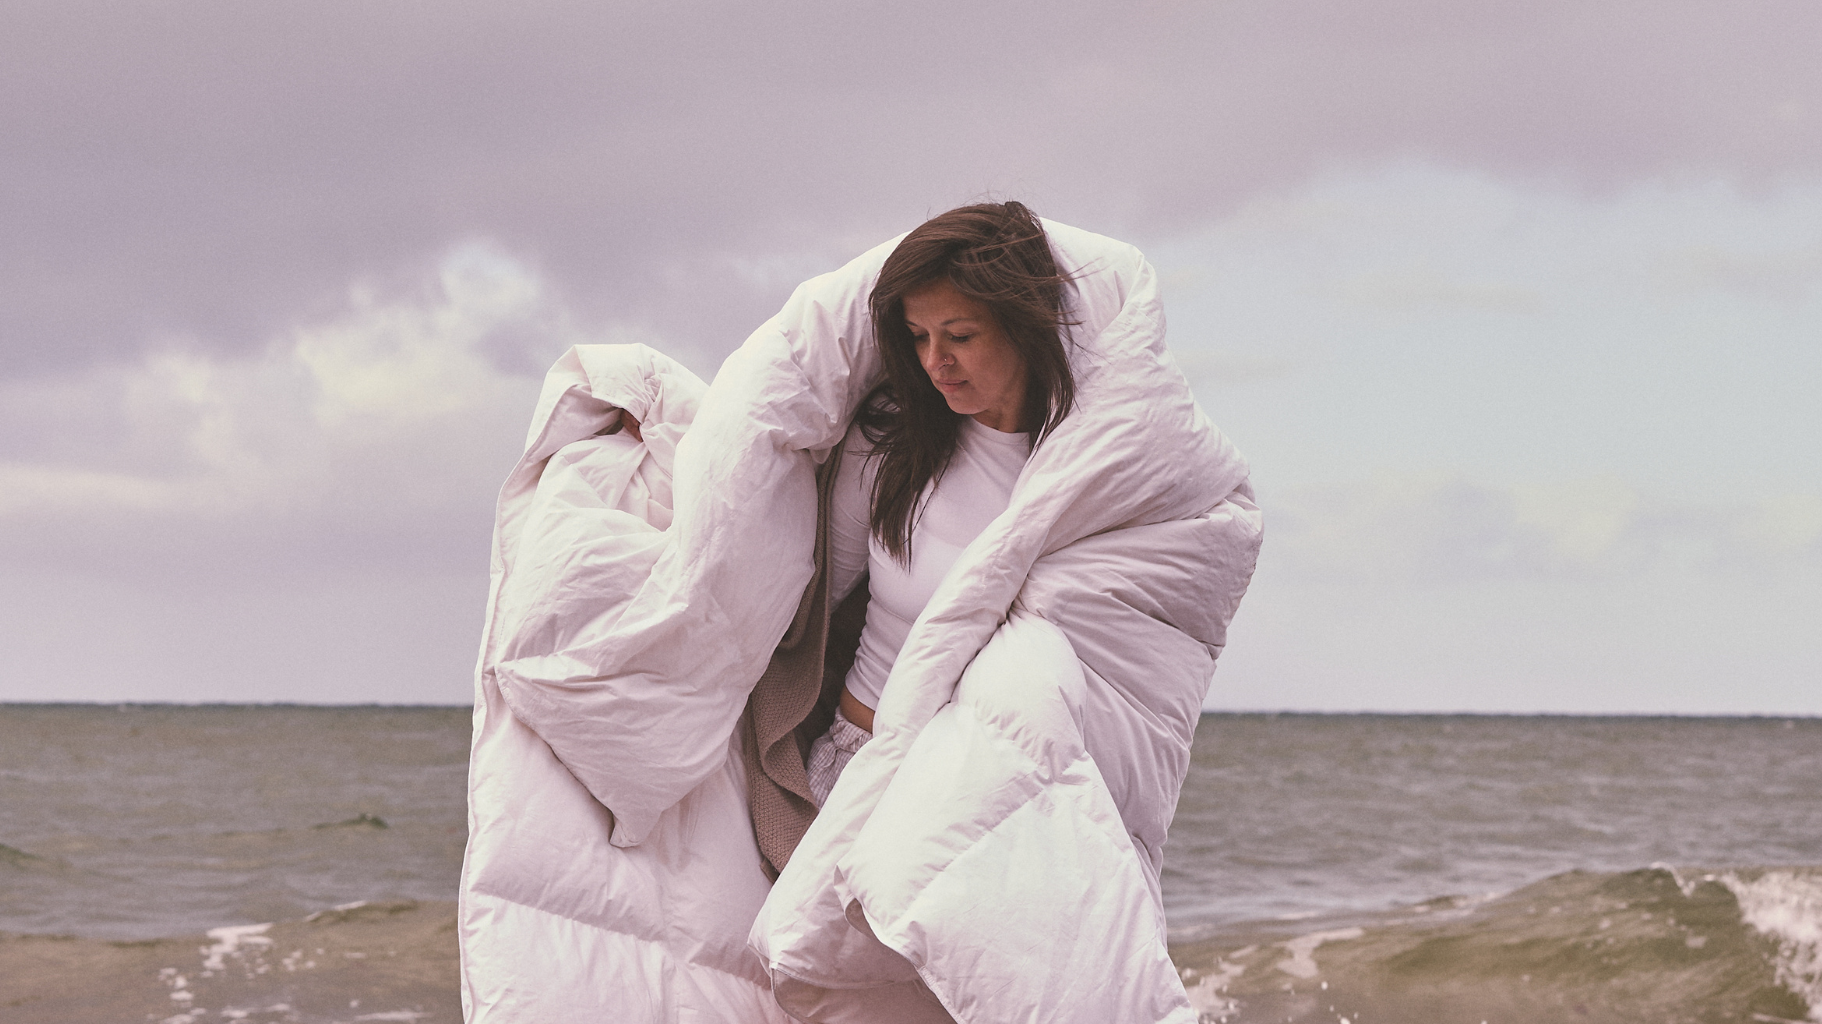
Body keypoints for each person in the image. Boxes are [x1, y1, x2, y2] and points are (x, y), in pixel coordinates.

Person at [460, 201, 1261, 1024]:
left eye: (960, 334)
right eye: (917, 338)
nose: (936, 361)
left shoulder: (1101, 482)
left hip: (979, 792)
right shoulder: (892, 449)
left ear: (1025, 323)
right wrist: (667, 456)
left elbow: (1167, 596)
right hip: (848, 773)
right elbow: (774, 552)